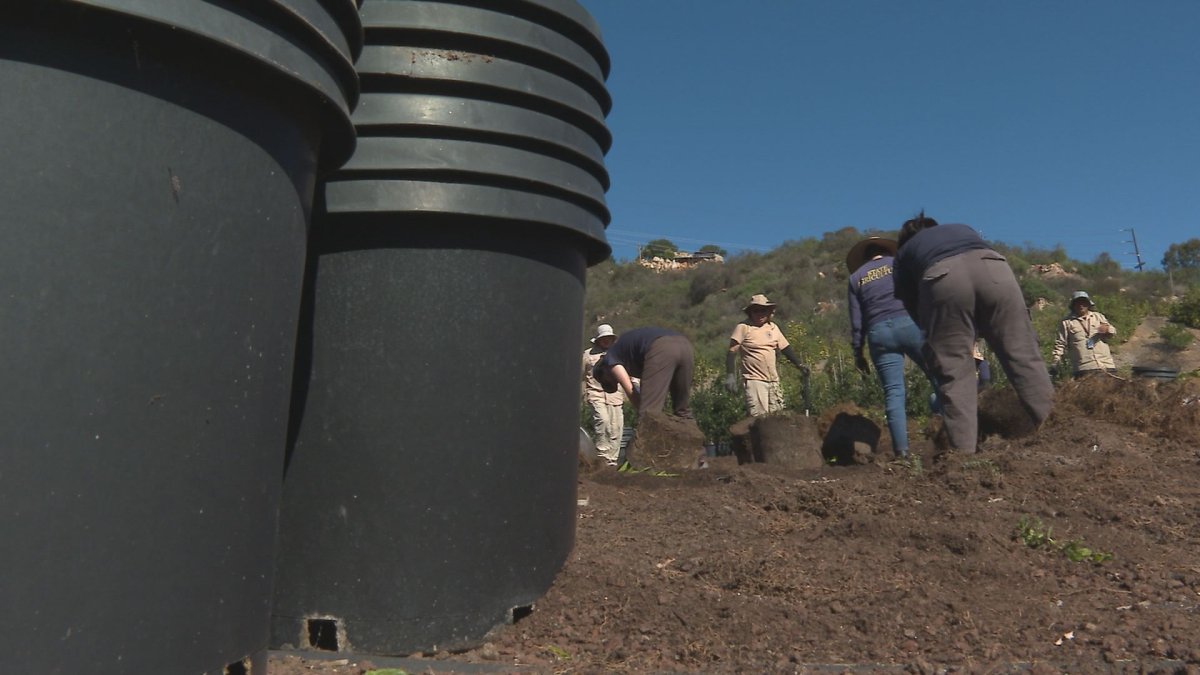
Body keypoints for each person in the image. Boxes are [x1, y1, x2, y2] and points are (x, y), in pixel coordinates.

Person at [892, 213, 1053, 454]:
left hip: (942, 278)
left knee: (956, 373)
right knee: (1023, 355)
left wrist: (937, 340)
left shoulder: (904, 253)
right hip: (994, 268)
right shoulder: (960, 229)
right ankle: (1057, 432)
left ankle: (964, 459)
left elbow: (913, 304)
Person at [846, 237, 938, 458]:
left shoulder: (856, 278)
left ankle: (902, 452)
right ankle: (953, 433)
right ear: (887, 251)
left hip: (878, 334)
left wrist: (858, 353)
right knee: (940, 378)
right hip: (909, 323)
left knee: (894, 392)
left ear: (865, 257)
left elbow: (856, 322)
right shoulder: (898, 265)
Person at [725, 294, 808, 416]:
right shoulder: (744, 327)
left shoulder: (773, 328)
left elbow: (785, 348)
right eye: (756, 311)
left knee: (778, 417)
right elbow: (732, 352)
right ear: (750, 312)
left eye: (763, 310)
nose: (759, 314)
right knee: (759, 419)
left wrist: (799, 365)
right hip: (755, 381)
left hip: (773, 381)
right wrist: (730, 375)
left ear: (768, 311)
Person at [593, 327, 694, 418]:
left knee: (649, 414)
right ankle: (690, 435)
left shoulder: (609, 360)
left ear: (604, 372)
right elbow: (647, 383)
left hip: (660, 347)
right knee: (682, 411)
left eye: (610, 381)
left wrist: (642, 411)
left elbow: (631, 391)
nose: (616, 380)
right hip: (684, 345)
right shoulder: (624, 353)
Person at [582, 324, 625, 465]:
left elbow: (628, 374)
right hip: (596, 394)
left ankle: (612, 461)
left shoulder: (620, 354)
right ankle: (602, 456)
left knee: (616, 427)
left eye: (609, 338)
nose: (606, 341)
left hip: (615, 396)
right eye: (604, 338)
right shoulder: (588, 355)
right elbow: (581, 375)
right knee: (603, 421)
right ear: (598, 340)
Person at [1051, 290, 1117, 378]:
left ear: (1088, 304)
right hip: (1084, 368)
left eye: (1083, 302)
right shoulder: (1066, 322)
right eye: (1077, 303)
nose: (1081, 305)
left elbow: (1113, 332)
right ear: (1073, 305)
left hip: (1106, 365)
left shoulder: (1098, 316)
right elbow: (1060, 344)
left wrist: (1107, 329)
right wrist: (1056, 363)